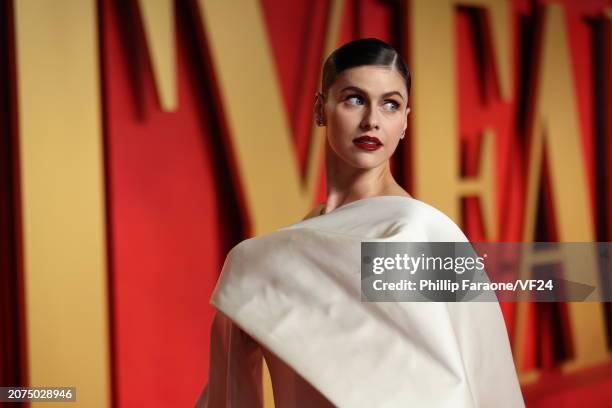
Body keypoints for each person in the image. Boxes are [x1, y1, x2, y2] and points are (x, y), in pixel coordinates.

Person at [195, 38, 524, 407]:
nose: (372, 121)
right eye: (354, 99)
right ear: (321, 109)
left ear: (404, 122)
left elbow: (462, 385)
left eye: (390, 105)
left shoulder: (417, 232)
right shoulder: (262, 260)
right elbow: (230, 392)